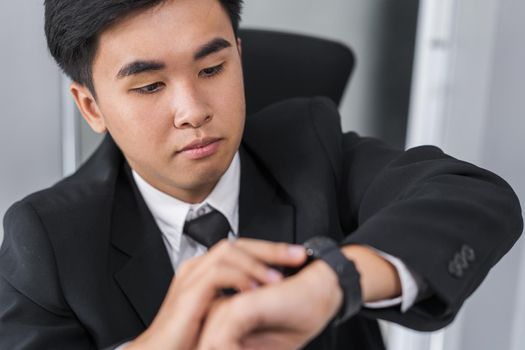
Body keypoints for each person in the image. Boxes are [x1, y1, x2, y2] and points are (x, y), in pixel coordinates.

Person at [0, 0, 522, 349]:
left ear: (239, 57)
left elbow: (471, 194)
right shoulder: (44, 241)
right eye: (150, 87)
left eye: (212, 70)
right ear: (91, 107)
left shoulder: (312, 149)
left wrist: (334, 283)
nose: (193, 110)